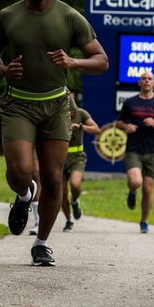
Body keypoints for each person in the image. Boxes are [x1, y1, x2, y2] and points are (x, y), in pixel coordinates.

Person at [0, 0, 108, 266]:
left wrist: (73, 62)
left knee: (54, 180)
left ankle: (41, 244)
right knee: (20, 172)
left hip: (56, 105)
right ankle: (25, 196)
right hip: (18, 105)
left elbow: (102, 60)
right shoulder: (8, 16)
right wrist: (2, 69)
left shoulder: (69, 17)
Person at [115, 71, 154, 234]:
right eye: (144, 79)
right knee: (135, 181)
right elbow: (119, 122)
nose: (147, 81)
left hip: (153, 152)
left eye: (150, 79)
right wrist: (126, 127)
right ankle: (132, 192)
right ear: (139, 83)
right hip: (133, 149)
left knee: (148, 189)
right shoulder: (130, 103)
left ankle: (144, 221)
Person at [61, 94, 100, 231]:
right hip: (59, 157)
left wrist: (81, 126)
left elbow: (97, 129)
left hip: (77, 155)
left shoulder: (81, 113)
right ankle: (68, 220)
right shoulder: (56, 114)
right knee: (62, 192)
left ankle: (75, 201)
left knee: (75, 184)